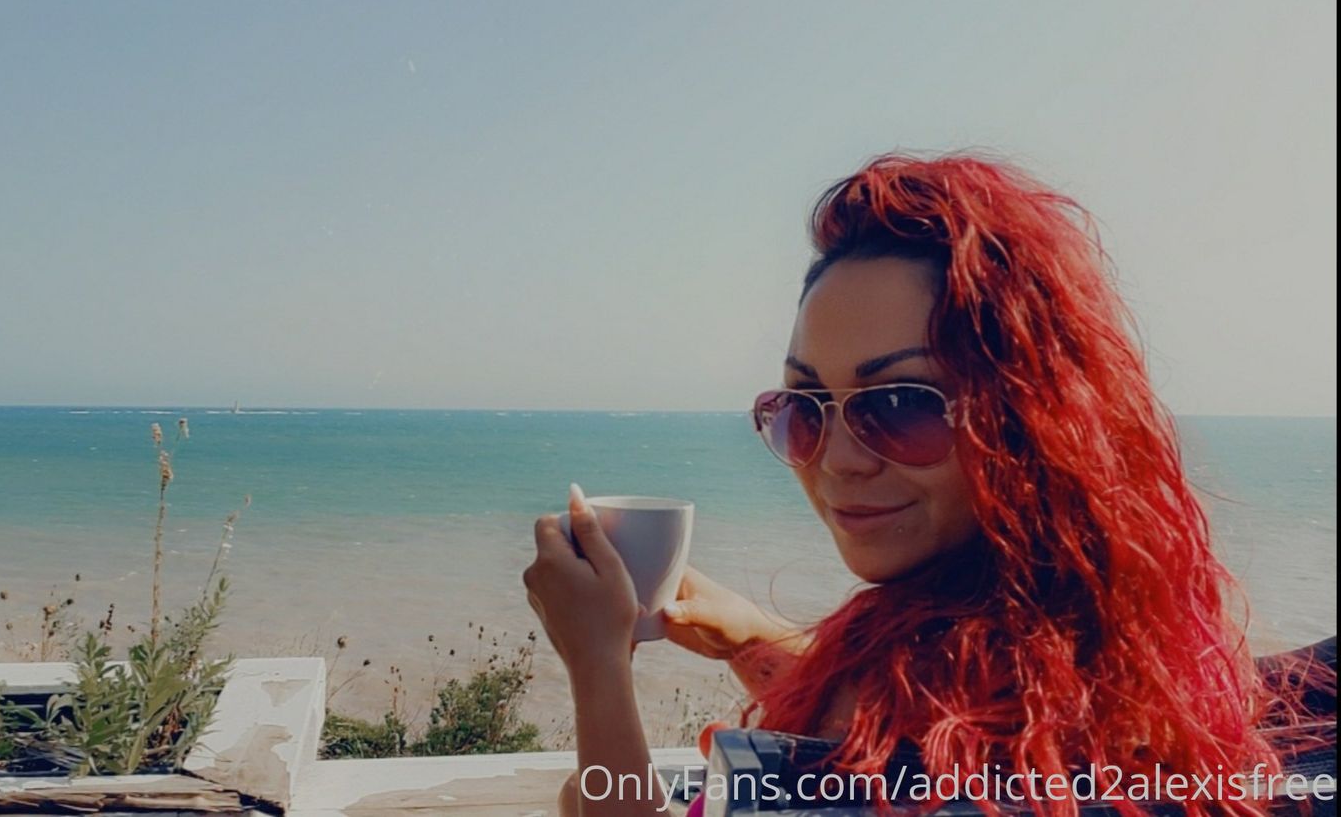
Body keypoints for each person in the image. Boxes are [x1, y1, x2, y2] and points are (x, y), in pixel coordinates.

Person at [522, 153, 1330, 817]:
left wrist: (597, 662)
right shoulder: (1106, 652)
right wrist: (752, 639)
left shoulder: (910, 732)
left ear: (1026, 417)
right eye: (804, 407)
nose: (837, 459)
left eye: (902, 404)